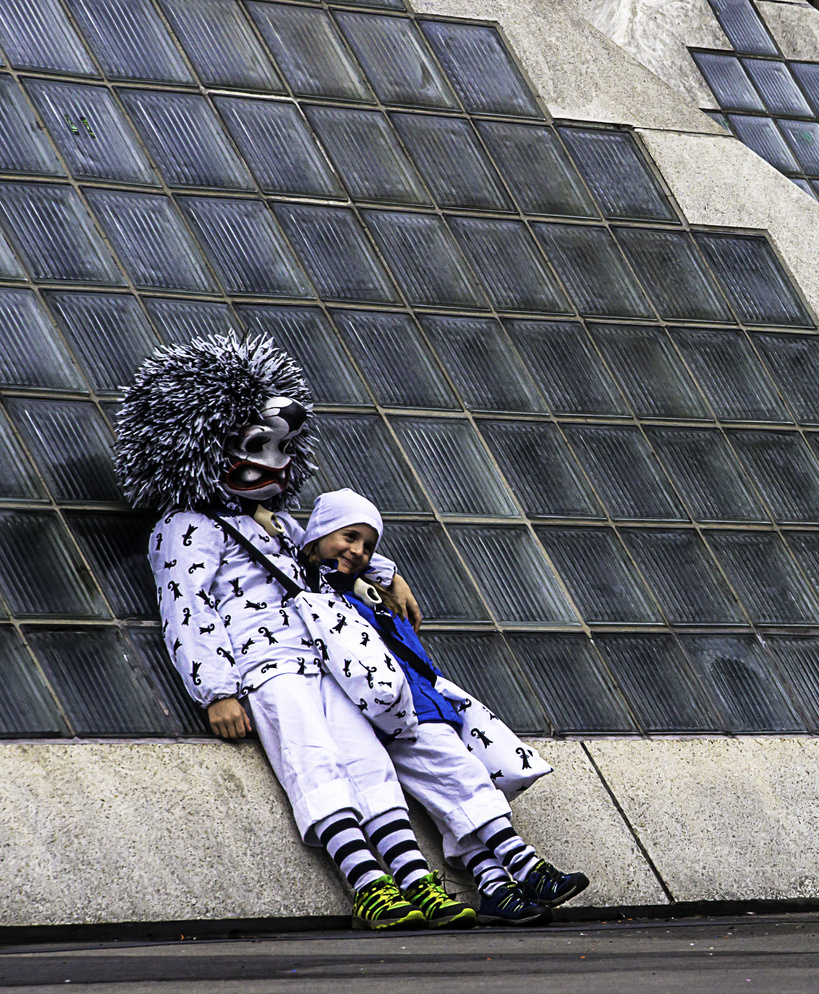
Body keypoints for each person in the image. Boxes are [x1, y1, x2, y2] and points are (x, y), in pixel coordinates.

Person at [118, 334, 554, 930]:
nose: (270, 462)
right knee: (314, 766)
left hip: (327, 664)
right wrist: (216, 690)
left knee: (368, 765)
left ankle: (416, 882)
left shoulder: (277, 522)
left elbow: (326, 548)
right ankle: (368, 886)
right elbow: (185, 608)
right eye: (254, 445)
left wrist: (387, 571)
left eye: (280, 448)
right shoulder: (187, 526)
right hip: (266, 669)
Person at [298, 489, 589, 912]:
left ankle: (494, 886)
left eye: (369, 545)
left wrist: (388, 575)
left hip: (410, 705)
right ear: (320, 533)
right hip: (406, 709)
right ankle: (525, 868)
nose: (359, 551)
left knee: (450, 796)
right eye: (349, 536)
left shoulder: (362, 590)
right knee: (464, 778)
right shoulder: (316, 587)